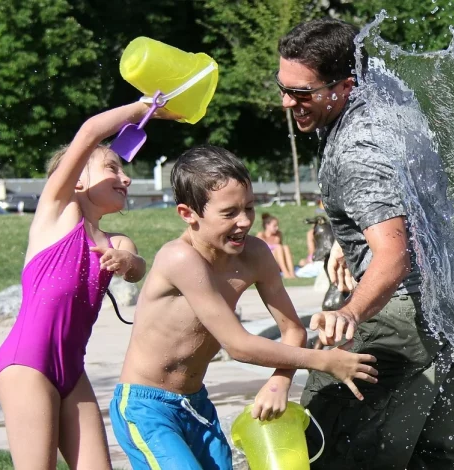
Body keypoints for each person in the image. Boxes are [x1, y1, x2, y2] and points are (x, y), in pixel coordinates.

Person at [278, 18, 454, 469]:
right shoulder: (393, 100)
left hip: (397, 316)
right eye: (283, 87)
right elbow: (406, 200)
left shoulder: (356, 152)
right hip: (450, 307)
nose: (287, 101)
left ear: (345, 85)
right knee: (445, 458)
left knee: (326, 445)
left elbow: (392, 258)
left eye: (301, 92)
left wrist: (350, 311)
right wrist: (347, 237)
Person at [109, 144, 378, 470]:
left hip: (196, 404)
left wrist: (280, 380)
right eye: (229, 213)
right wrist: (324, 360)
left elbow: (292, 329)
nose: (244, 221)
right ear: (188, 214)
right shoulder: (179, 258)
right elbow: (237, 345)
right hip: (146, 407)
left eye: (249, 207)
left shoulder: (256, 256)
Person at [0, 102, 157, 469]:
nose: (126, 178)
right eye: (112, 168)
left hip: (72, 369)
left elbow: (136, 269)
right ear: (78, 179)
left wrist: (128, 263)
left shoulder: (116, 241)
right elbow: (88, 134)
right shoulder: (57, 213)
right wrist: (140, 108)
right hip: (27, 365)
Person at [257, 213, 297, 278]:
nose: (277, 228)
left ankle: (292, 273)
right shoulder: (261, 235)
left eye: (277, 225)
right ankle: (286, 273)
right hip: (266, 262)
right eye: (274, 226)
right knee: (278, 247)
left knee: (285, 247)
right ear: (267, 225)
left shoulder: (278, 235)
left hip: (278, 263)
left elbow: (282, 252)